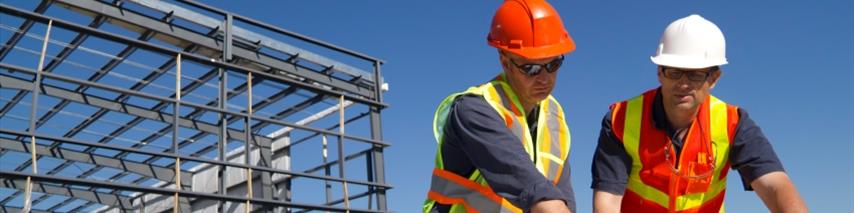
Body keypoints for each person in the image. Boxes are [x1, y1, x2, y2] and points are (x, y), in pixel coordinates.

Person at [591, 14, 808, 213]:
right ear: (660, 72)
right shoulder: (621, 119)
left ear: (713, 79)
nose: (683, 84)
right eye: (674, 72)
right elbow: (608, 201)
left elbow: (775, 184)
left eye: (695, 75)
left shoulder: (733, 123)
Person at [422, 0, 577, 212]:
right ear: (505, 62)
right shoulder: (474, 110)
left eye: (553, 64)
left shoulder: (554, 118)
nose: (544, 78)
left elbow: (563, 199)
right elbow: (542, 197)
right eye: (530, 68)